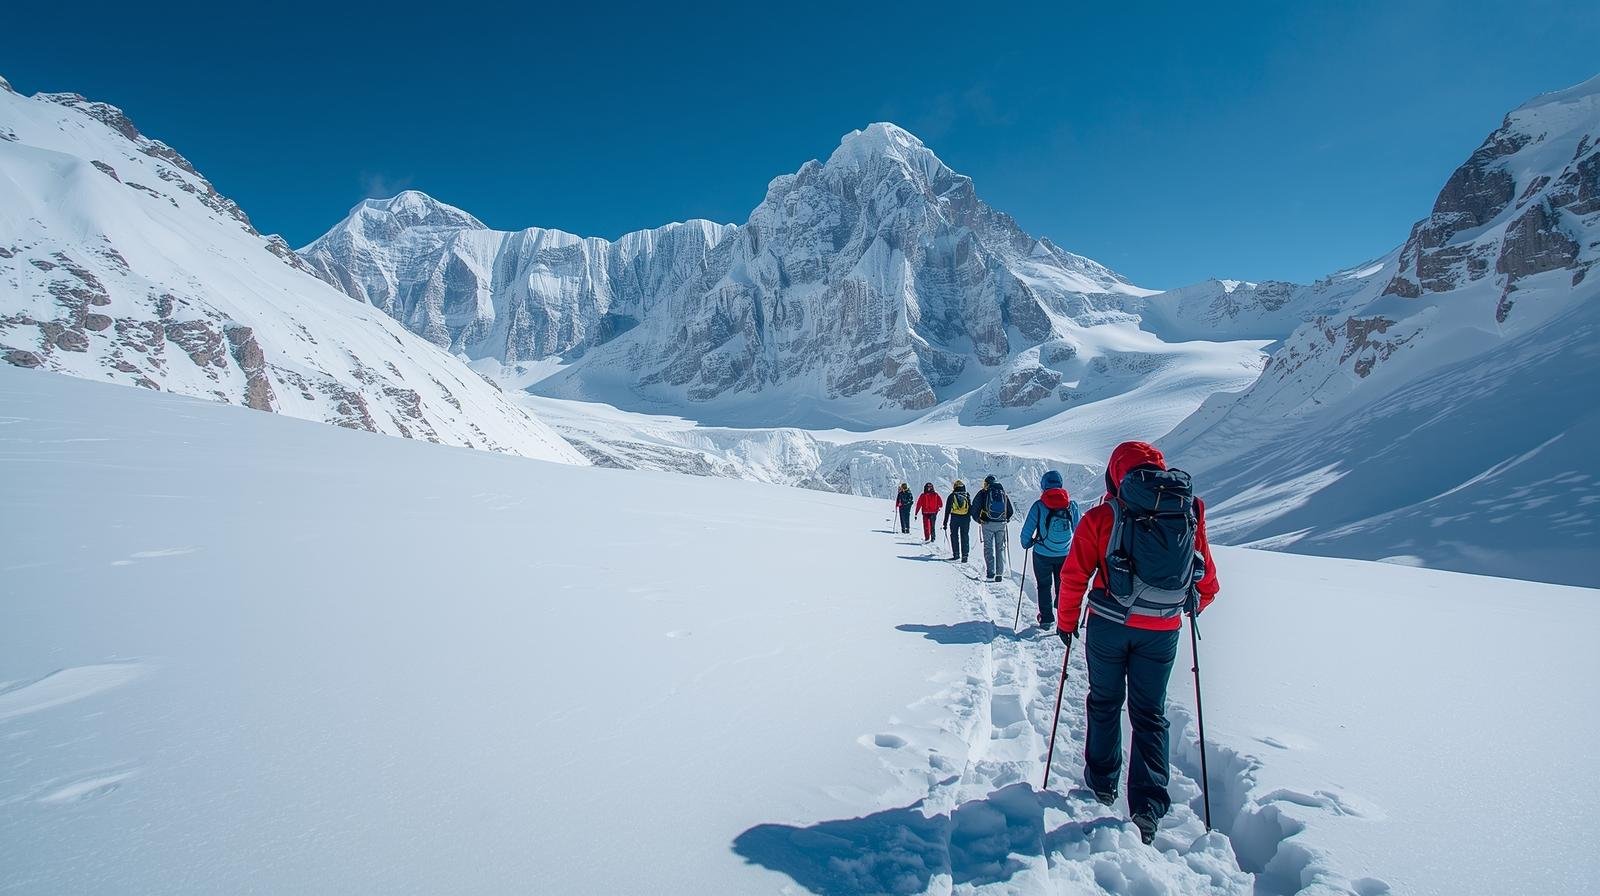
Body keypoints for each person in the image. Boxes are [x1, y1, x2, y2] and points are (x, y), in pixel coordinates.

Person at [1055, 441, 1219, 846]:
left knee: (1105, 701)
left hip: (1109, 627)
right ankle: (1147, 808)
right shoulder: (1188, 511)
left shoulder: (1101, 516)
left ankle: (1102, 783)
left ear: (1116, 473)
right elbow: (1207, 582)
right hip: (1162, 633)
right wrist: (1173, 610)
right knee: (1150, 714)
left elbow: (1075, 574)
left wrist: (1067, 621)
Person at [1019, 470, 1078, 629]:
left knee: (1044, 585)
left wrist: (1027, 543)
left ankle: (1046, 619)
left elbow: (1027, 532)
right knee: (1063, 585)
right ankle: (1063, 617)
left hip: (1042, 553)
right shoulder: (1071, 505)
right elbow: (1078, 530)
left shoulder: (1039, 506)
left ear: (1043, 485)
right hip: (1064, 553)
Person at [971, 474, 1014, 582]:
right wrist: (1006, 519)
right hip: (1001, 524)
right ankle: (999, 573)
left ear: (987, 483)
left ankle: (991, 572)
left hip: (987, 524)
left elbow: (974, 507)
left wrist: (978, 519)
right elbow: (1010, 511)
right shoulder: (1003, 493)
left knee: (988, 548)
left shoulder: (983, 493)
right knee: (1000, 548)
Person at [942, 479, 972, 562]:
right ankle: (965, 556)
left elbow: (947, 510)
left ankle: (956, 554)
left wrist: (945, 522)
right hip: (965, 518)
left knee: (954, 535)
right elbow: (970, 507)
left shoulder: (952, 495)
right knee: (965, 536)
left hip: (955, 518)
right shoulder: (967, 495)